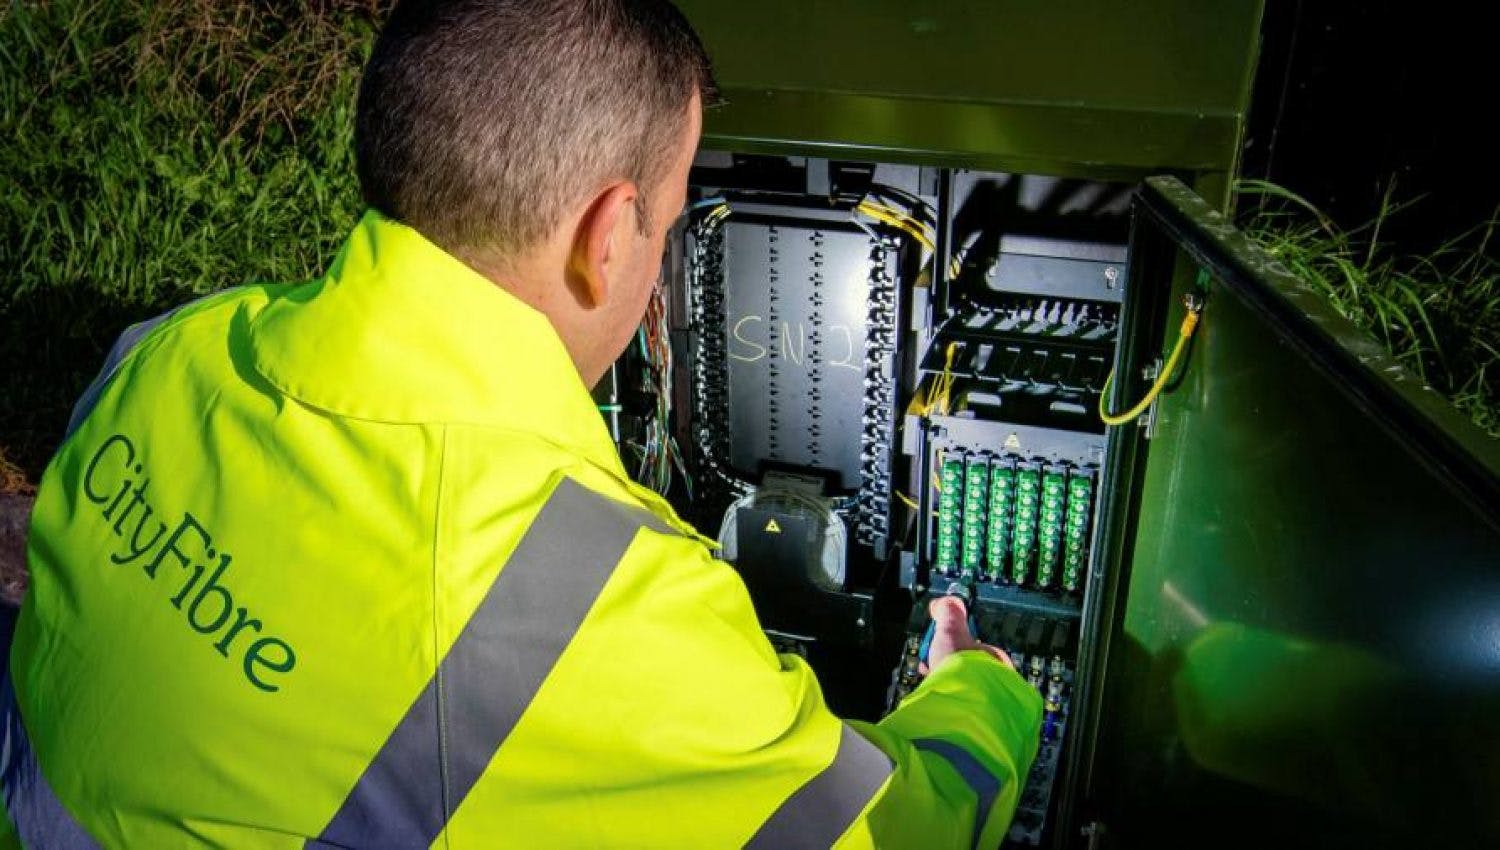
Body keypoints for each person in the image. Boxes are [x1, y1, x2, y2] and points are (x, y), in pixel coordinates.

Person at [1, 1, 1041, 846]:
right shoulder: (581, 607)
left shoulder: (173, 346)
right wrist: (984, 696)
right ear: (603, 235)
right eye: (667, 226)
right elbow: (894, 829)